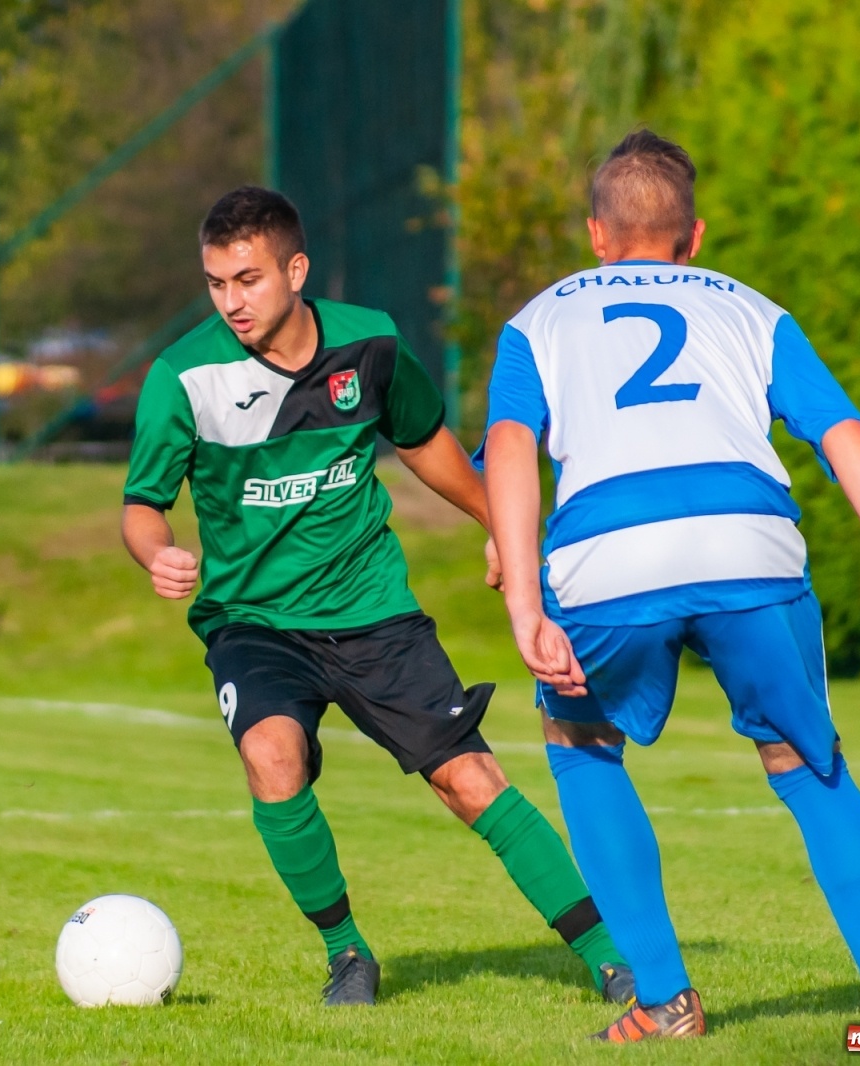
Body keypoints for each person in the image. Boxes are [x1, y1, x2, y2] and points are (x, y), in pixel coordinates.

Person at [482, 129, 860, 1042]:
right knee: (806, 761)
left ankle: (666, 1002)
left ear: (595, 233)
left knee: (580, 743)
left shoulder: (538, 319)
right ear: (693, 236)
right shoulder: (751, 309)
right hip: (751, 543)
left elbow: (511, 446)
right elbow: (846, 438)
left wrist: (522, 596)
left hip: (607, 554)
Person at [121, 185, 631, 1007]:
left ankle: (614, 956)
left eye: (247, 279)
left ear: (296, 269)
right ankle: (347, 954)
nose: (231, 301)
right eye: (216, 283)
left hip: (373, 615)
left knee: (469, 781)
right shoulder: (184, 375)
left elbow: (429, 446)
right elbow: (142, 504)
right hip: (254, 623)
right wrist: (159, 553)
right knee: (271, 759)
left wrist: (500, 526)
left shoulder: (372, 345)